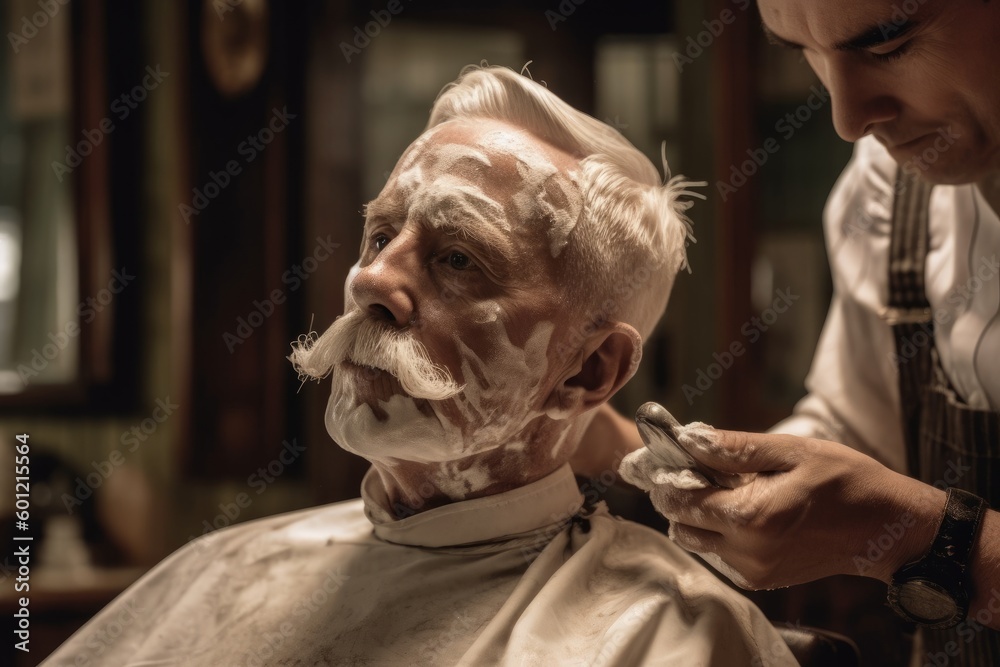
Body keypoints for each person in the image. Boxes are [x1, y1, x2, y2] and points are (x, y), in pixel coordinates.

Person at [41, 66, 797, 666]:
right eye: (378, 237)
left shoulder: (663, 637)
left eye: (458, 258)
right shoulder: (219, 566)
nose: (370, 281)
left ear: (591, 369)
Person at [589, 1, 1000, 665]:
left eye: (890, 42)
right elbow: (861, 427)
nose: (847, 119)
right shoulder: (891, 194)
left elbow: (881, 508)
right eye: (798, 50)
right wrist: (616, 447)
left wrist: (922, 538)